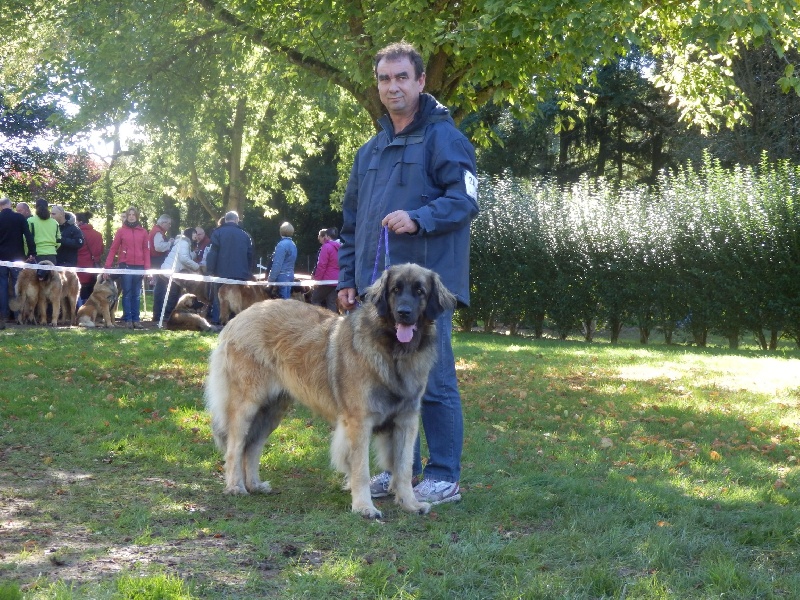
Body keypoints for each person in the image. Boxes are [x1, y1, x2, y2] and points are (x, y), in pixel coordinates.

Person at [337, 42, 479, 506]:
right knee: (386, 385)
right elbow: (351, 223)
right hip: (377, 292)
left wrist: (420, 217)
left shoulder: (445, 138)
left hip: (425, 292)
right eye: (384, 79)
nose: (392, 86)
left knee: (433, 383)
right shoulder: (370, 150)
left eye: (402, 77)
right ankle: (402, 474)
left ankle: (444, 475)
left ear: (421, 81)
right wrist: (346, 278)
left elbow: (465, 200)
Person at [105, 207, 150, 329]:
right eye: (129, 214)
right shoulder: (121, 231)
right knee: (127, 293)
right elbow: (113, 248)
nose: (131, 216)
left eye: (133, 214)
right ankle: (128, 319)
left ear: (137, 216)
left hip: (139, 266)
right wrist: (107, 267)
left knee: (136, 294)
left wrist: (147, 268)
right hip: (125, 265)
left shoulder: (143, 232)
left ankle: (136, 319)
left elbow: (146, 250)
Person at [206, 211, 254, 324]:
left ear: (225, 219)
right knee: (238, 299)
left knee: (220, 298)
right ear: (237, 220)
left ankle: (217, 322)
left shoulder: (217, 233)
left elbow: (213, 253)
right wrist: (249, 272)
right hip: (240, 274)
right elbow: (250, 255)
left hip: (221, 273)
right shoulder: (246, 235)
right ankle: (235, 324)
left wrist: (210, 271)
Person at [0, 196, 36, 328]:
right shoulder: (19, 218)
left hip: (1, 258)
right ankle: (18, 315)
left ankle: (3, 315)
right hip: (17, 257)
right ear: (10, 205)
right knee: (17, 285)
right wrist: (32, 252)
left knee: (2, 285)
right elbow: (28, 235)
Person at [154, 227, 200, 323]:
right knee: (173, 295)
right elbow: (184, 259)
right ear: (190, 234)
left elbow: (185, 256)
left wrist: (194, 254)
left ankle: (162, 316)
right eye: (194, 234)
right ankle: (167, 316)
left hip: (169, 271)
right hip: (171, 272)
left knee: (171, 294)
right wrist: (197, 267)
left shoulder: (183, 243)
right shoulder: (184, 243)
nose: (196, 236)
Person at [75, 212, 105, 305]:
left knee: (79, 292)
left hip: (79, 267)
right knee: (92, 292)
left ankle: (80, 311)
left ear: (79, 222)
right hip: (93, 268)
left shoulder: (77, 234)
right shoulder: (98, 235)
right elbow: (101, 250)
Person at [149, 214, 174, 321]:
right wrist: (169, 243)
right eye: (169, 224)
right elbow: (158, 247)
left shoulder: (156, 231)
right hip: (158, 262)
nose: (169, 226)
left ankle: (158, 314)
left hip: (156, 262)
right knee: (160, 288)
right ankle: (158, 315)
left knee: (160, 288)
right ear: (163, 223)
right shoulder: (158, 232)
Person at [311, 227, 340, 312]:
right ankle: (333, 322)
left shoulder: (326, 247)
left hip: (326, 280)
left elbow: (322, 265)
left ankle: (317, 320)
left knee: (315, 300)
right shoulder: (341, 246)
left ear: (327, 236)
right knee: (331, 302)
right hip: (337, 280)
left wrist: (317, 280)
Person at [267, 222, 297, 300]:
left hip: (281, 277)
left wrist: (271, 279)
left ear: (281, 231)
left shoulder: (281, 245)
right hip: (290, 276)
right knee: (287, 300)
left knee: (282, 303)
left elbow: (277, 264)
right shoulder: (293, 245)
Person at [27, 198, 60, 263]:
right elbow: (58, 240)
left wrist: (28, 253)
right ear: (47, 207)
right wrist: (52, 249)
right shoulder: (55, 222)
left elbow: (26, 239)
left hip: (36, 255)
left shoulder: (30, 221)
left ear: (35, 208)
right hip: (52, 255)